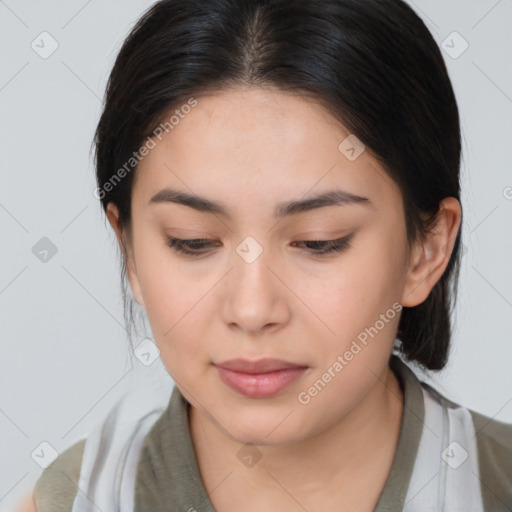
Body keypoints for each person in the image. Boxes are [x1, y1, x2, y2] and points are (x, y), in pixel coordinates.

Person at [24, 0, 512, 511]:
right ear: (129, 250)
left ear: (427, 249)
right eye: (192, 241)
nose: (252, 310)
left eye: (318, 242)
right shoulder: (74, 498)